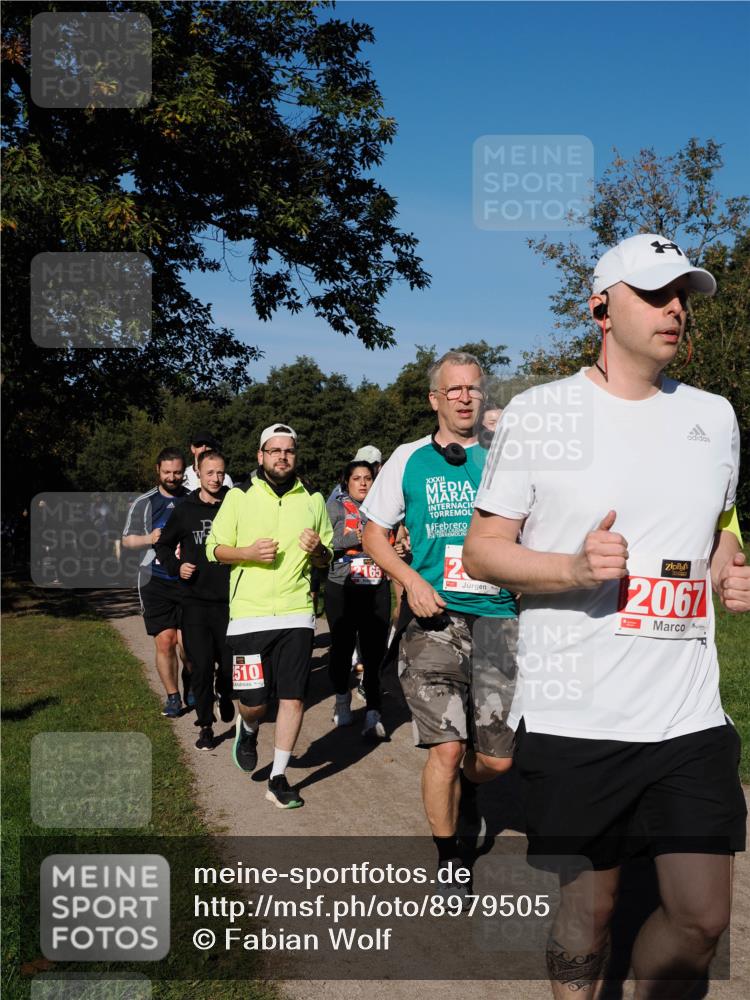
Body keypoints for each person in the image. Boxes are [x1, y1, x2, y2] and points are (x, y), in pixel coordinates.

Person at [464, 233, 749, 997]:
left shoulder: (715, 417)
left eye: (682, 295)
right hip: (577, 717)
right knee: (588, 917)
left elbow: (718, 524)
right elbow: (484, 551)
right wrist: (570, 566)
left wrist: (730, 566)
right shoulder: (541, 412)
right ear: (599, 307)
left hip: (687, 715)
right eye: (655, 293)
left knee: (702, 920)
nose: (676, 309)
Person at [361, 351, 519, 891]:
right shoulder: (407, 459)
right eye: (453, 389)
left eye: (473, 388)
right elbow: (373, 533)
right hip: (435, 621)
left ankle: (468, 781)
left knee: (495, 762)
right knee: (446, 747)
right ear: (435, 399)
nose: (464, 397)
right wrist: (409, 580)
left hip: (500, 619)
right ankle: (449, 855)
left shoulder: (507, 457)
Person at [206, 423, 333, 809]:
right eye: (274, 451)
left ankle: (278, 777)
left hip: (296, 613)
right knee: (255, 702)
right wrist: (247, 553)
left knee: (293, 696)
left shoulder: (312, 498)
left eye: (288, 451)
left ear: (295, 456)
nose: (282, 457)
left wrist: (317, 551)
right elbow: (215, 549)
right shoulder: (240, 496)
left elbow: (326, 555)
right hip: (249, 616)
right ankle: (248, 727)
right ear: (261, 456)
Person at [154, 450, 235, 750]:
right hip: (195, 602)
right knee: (200, 667)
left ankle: (225, 693)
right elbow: (163, 544)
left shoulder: (235, 503)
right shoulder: (185, 509)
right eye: (209, 472)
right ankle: (205, 726)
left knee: (227, 667)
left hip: (230, 601)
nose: (215, 478)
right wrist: (177, 567)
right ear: (198, 473)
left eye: (220, 473)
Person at [122, 447, 190, 717]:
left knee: (189, 644)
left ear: (184, 472)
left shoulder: (193, 499)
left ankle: (191, 681)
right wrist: (149, 538)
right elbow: (127, 540)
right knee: (165, 640)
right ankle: (173, 697)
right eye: (167, 472)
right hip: (155, 580)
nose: (172, 477)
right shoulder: (145, 502)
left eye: (177, 472)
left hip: (187, 580)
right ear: (158, 471)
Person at [325, 460, 390, 738]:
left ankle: (374, 711)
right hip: (342, 584)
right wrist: (356, 539)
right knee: (342, 648)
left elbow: (398, 539)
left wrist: (398, 545)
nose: (363, 483)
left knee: (375, 651)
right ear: (346, 482)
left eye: (367, 478)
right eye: (356, 479)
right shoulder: (335, 507)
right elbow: (325, 542)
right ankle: (342, 698)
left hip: (376, 583)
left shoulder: (386, 508)